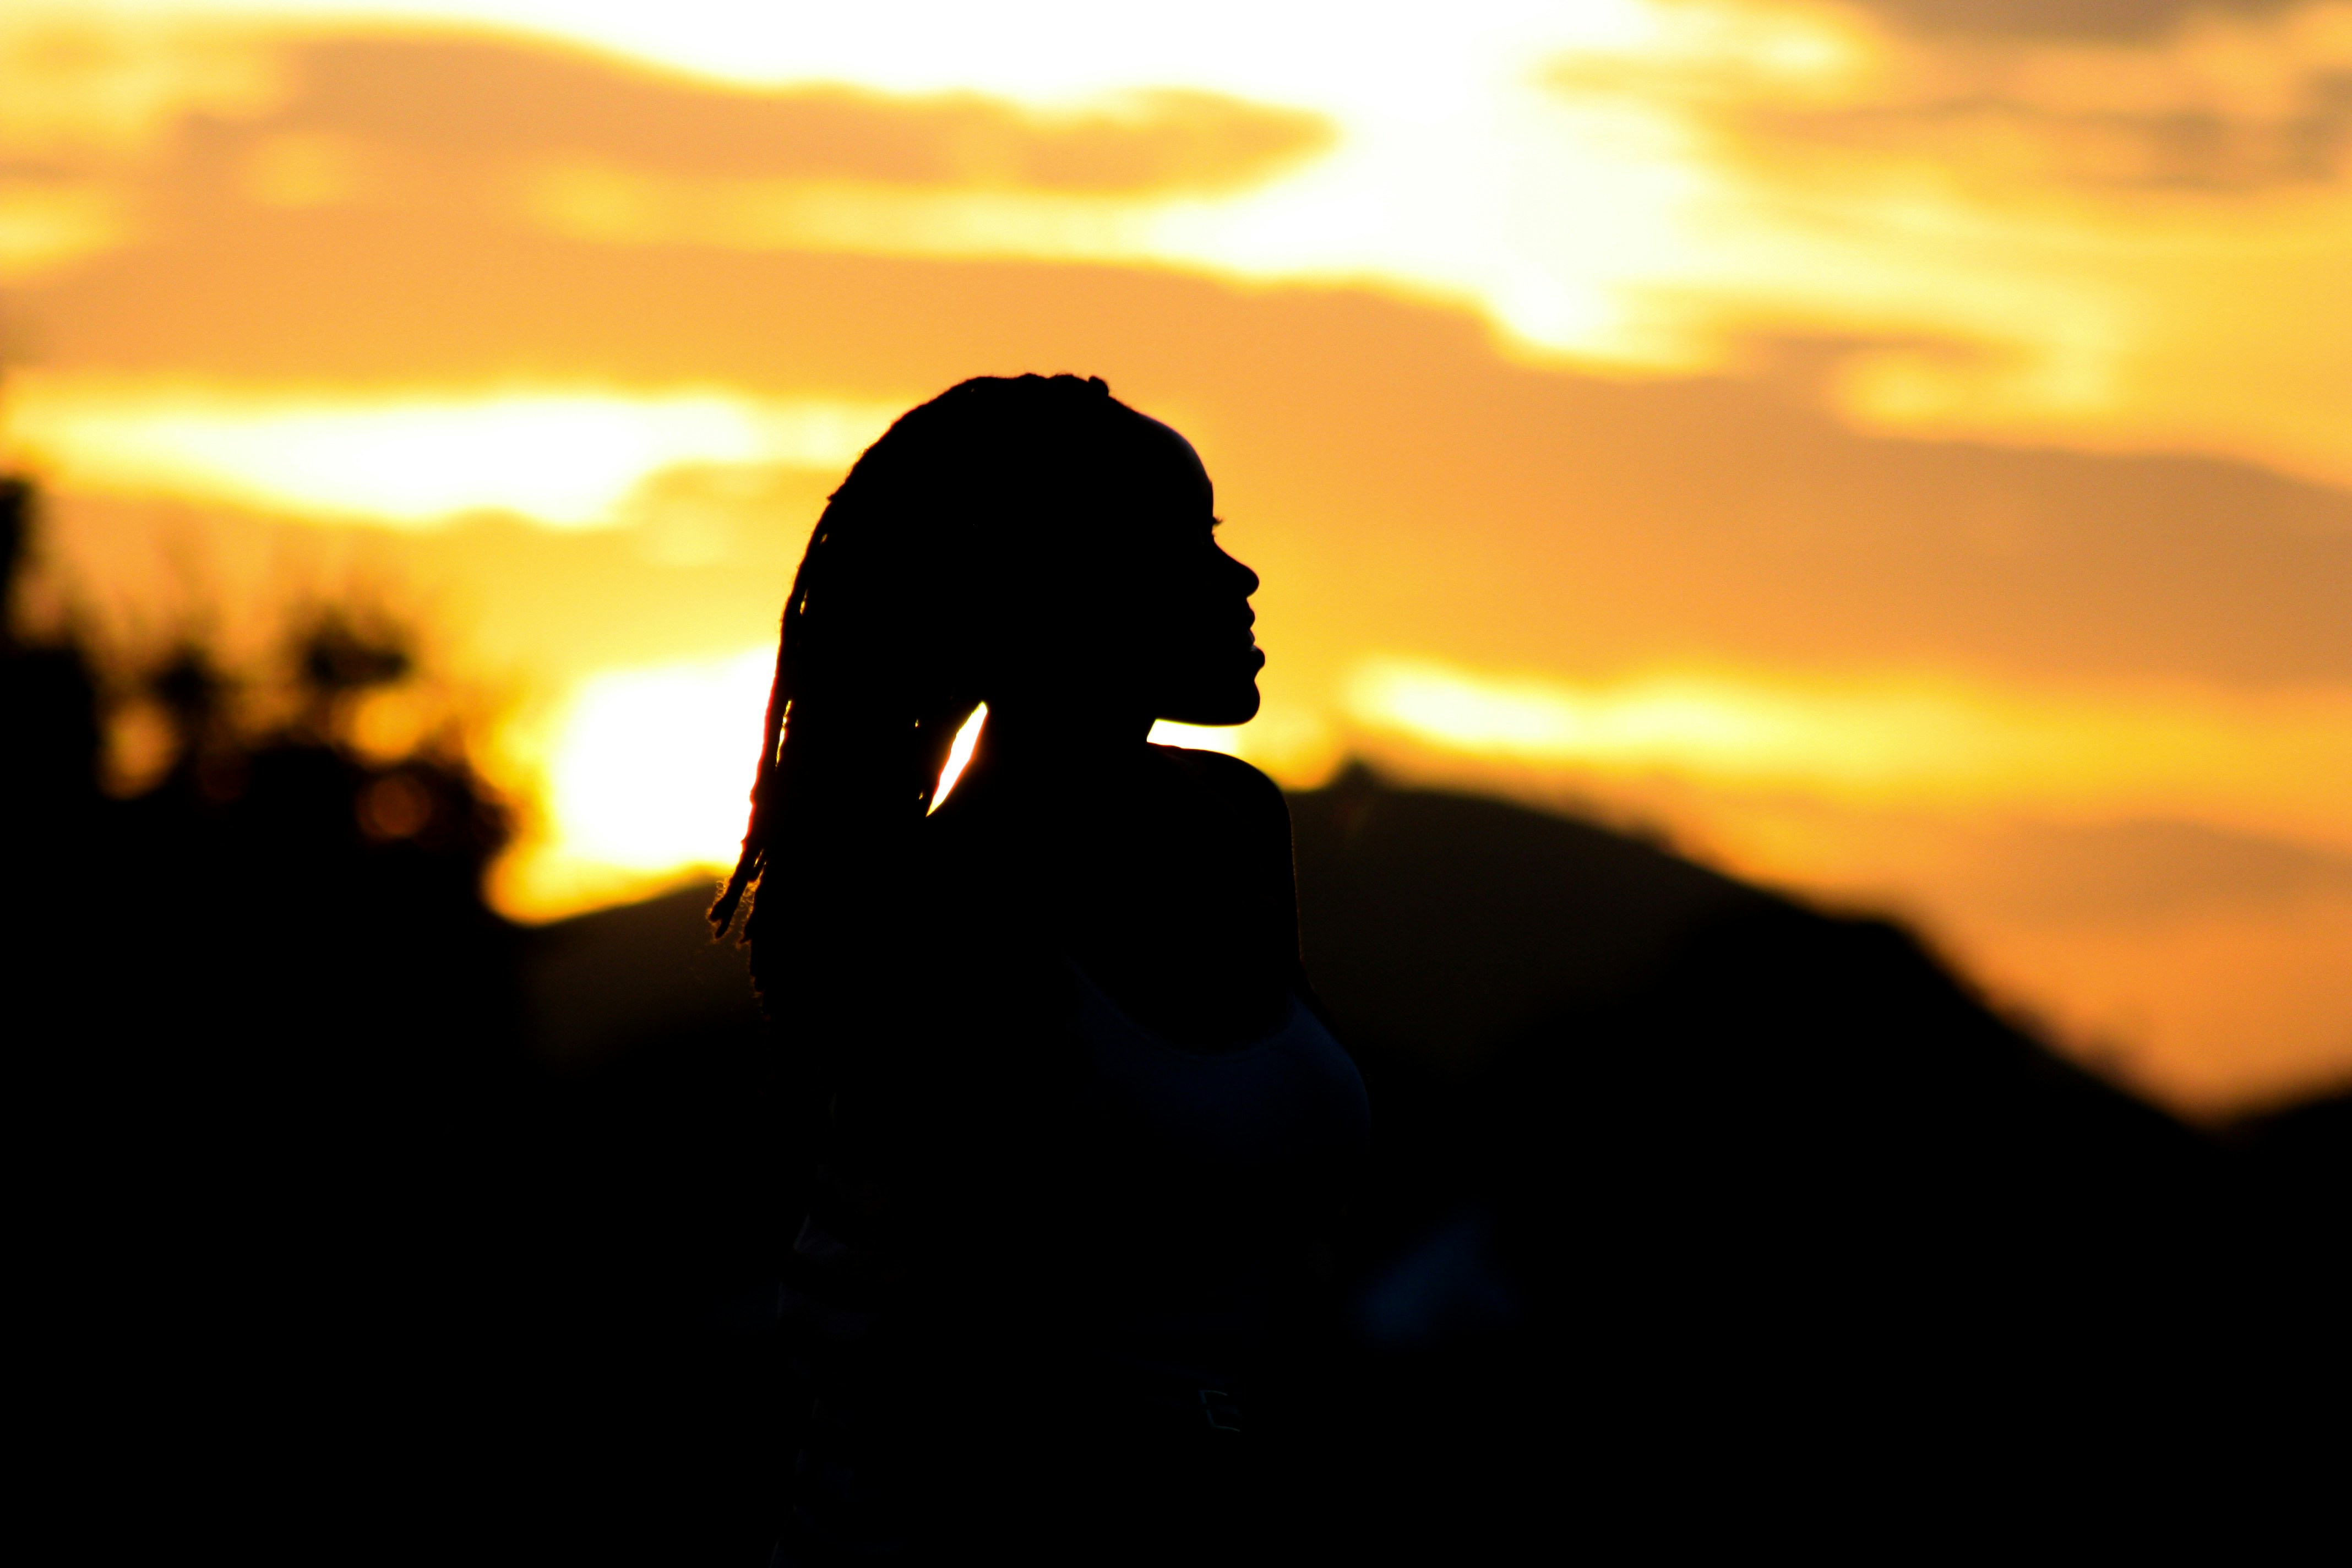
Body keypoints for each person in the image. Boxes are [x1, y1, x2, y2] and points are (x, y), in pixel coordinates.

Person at [711, 374, 1370, 1564]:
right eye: (1185, 543)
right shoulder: (948, 919)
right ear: (1053, 590)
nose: (1240, 579)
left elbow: (1281, 1245)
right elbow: (967, 1375)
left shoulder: (1235, 820)